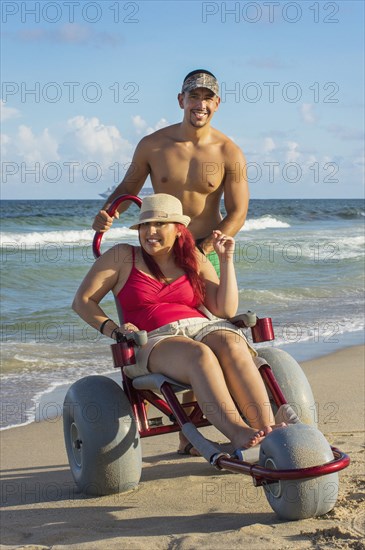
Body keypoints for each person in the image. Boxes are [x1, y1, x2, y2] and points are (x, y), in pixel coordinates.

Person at [75, 194, 284, 455]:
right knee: (199, 355)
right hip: (153, 340)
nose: (150, 231)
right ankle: (239, 432)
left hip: (202, 327)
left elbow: (225, 309)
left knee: (231, 341)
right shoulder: (121, 256)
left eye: (160, 224)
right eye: (144, 225)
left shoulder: (192, 258)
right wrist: (114, 330)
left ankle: (268, 429)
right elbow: (83, 301)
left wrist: (227, 259)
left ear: (178, 229)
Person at [92, 69, 249, 276]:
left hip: (207, 248)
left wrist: (203, 250)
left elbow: (238, 213)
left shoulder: (229, 152)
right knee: (158, 308)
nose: (201, 105)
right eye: (194, 97)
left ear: (217, 103)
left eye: (208, 98)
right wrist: (106, 214)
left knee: (213, 310)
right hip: (161, 246)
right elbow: (128, 188)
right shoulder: (152, 145)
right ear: (180, 100)